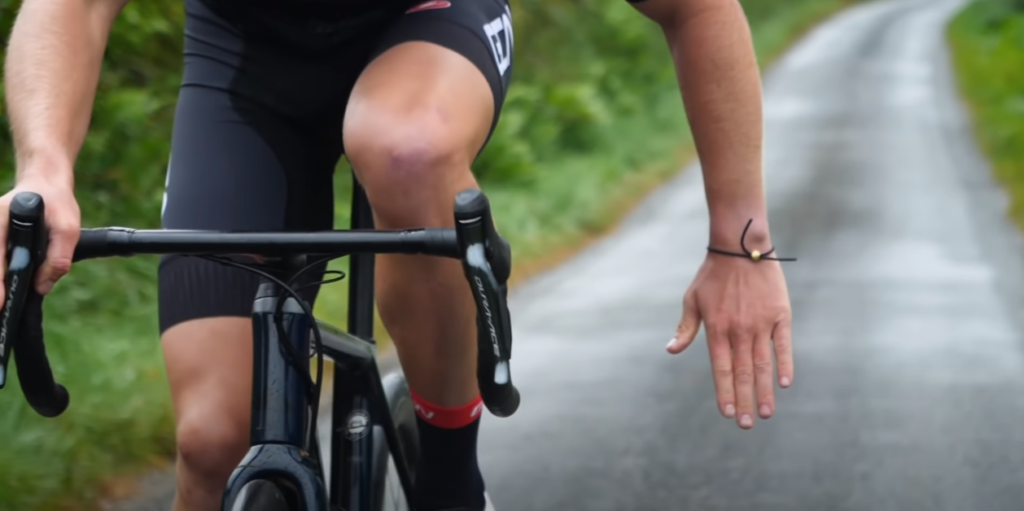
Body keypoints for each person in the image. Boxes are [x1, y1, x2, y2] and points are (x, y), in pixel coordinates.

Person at [0, 0, 794, 509]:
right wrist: (44, 170)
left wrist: (741, 247)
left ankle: (451, 473)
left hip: (431, 26)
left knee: (405, 147)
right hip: (246, 65)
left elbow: (697, 10)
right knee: (214, 443)